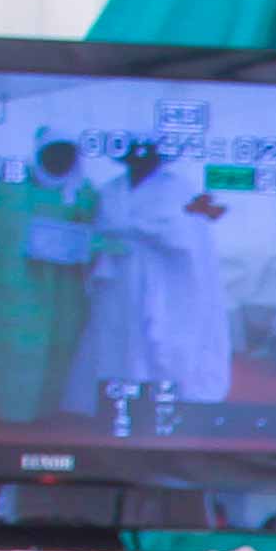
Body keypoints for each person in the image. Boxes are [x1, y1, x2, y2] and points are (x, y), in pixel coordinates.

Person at [0, 135, 103, 422]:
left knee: (56, 347)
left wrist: (82, 247)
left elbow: (98, 235)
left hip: (63, 289)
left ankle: (46, 409)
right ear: (39, 153)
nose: (59, 160)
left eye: (66, 155)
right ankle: (8, 410)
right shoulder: (9, 186)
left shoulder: (83, 192)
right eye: (53, 153)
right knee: (14, 348)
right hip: (14, 283)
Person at [78, 145, 234, 412]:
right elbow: (98, 228)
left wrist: (136, 229)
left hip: (166, 278)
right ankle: (120, 398)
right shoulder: (110, 190)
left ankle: (166, 399)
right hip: (120, 276)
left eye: (147, 155)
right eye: (133, 156)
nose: (140, 161)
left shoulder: (180, 190)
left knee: (163, 336)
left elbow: (185, 236)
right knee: (118, 334)